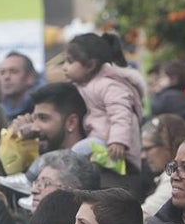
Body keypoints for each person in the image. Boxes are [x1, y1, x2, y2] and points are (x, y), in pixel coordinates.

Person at [61, 33, 144, 175]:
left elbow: (121, 114)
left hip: (113, 147)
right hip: (101, 142)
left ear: (90, 65)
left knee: (73, 155)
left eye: (69, 61)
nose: (64, 67)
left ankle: (61, 175)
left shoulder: (109, 85)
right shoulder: (86, 84)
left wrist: (118, 141)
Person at [139, 114, 185, 222]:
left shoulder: (176, 176)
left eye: (148, 149)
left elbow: (143, 216)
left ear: (167, 144)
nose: (143, 156)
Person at [0, 51, 39, 119]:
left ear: (30, 77)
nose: (6, 77)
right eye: (2, 72)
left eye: (13, 71)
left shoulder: (40, 109)